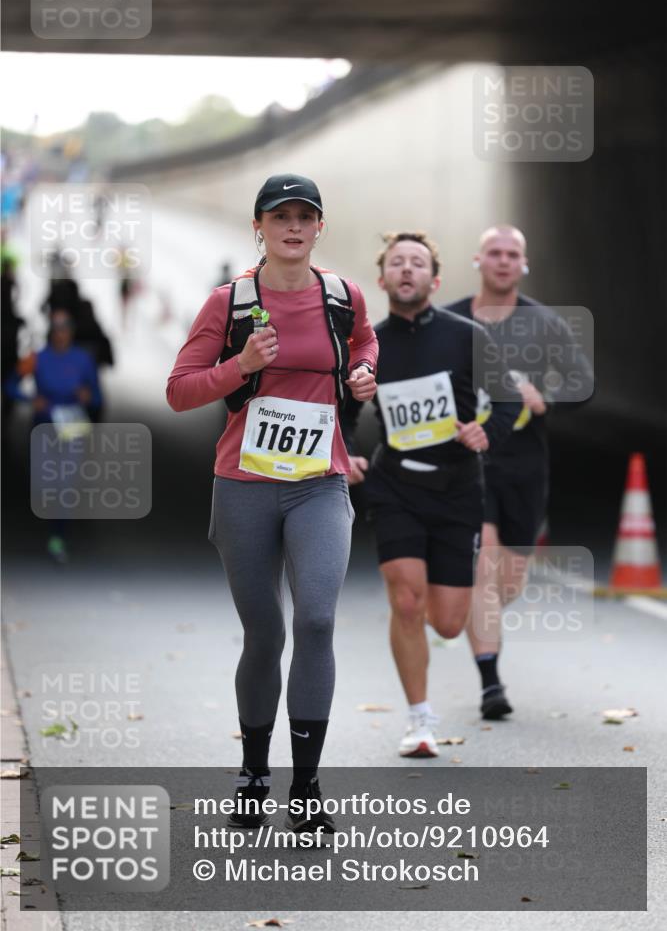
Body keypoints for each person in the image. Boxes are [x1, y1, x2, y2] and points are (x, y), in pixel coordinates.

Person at [166, 174, 377, 831]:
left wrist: (366, 376)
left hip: (320, 484)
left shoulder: (343, 298)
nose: (292, 226)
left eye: (303, 216)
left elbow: (364, 346)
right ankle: (254, 769)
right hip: (245, 488)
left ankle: (306, 785)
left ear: (319, 228)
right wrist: (241, 365)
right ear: (257, 227)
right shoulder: (228, 305)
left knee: (315, 621)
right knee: (266, 633)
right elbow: (179, 391)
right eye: (278, 215)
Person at [344, 232, 521, 757]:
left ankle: (427, 636)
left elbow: (508, 400)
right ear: (381, 280)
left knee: (445, 619)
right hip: (395, 484)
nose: (406, 270)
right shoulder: (366, 347)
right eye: (396, 262)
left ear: (434, 280)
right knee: (405, 599)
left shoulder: (467, 336)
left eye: (416, 263)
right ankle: (419, 720)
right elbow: (344, 413)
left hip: (458, 489)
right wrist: (348, 451)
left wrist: (486, 432)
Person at [447, 224, 593, 720]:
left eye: (513, 254)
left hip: (525, 467)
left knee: (508, 581)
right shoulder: (450, 321)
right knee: (483, 569)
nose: (504, 261)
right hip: (471, 464)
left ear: (523, 264)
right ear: (478, 260)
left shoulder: (545, 324)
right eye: (494, 252)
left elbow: (582, 382)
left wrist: (544, 398)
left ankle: (478, 616)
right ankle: (491, 682)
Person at [5, 308, 102, 564]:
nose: (60, 333)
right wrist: (30, 398)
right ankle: (49, 519)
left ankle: (58, 537)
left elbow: (97, 396)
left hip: (72, 427)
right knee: (45, 483)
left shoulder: (83, 360)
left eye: (65, 328)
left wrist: (87, 397)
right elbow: (10, 385)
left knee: (65, 483)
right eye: (56, 328)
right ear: (51, 332)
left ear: (71, 331)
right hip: (44, 426)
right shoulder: (37, 357)